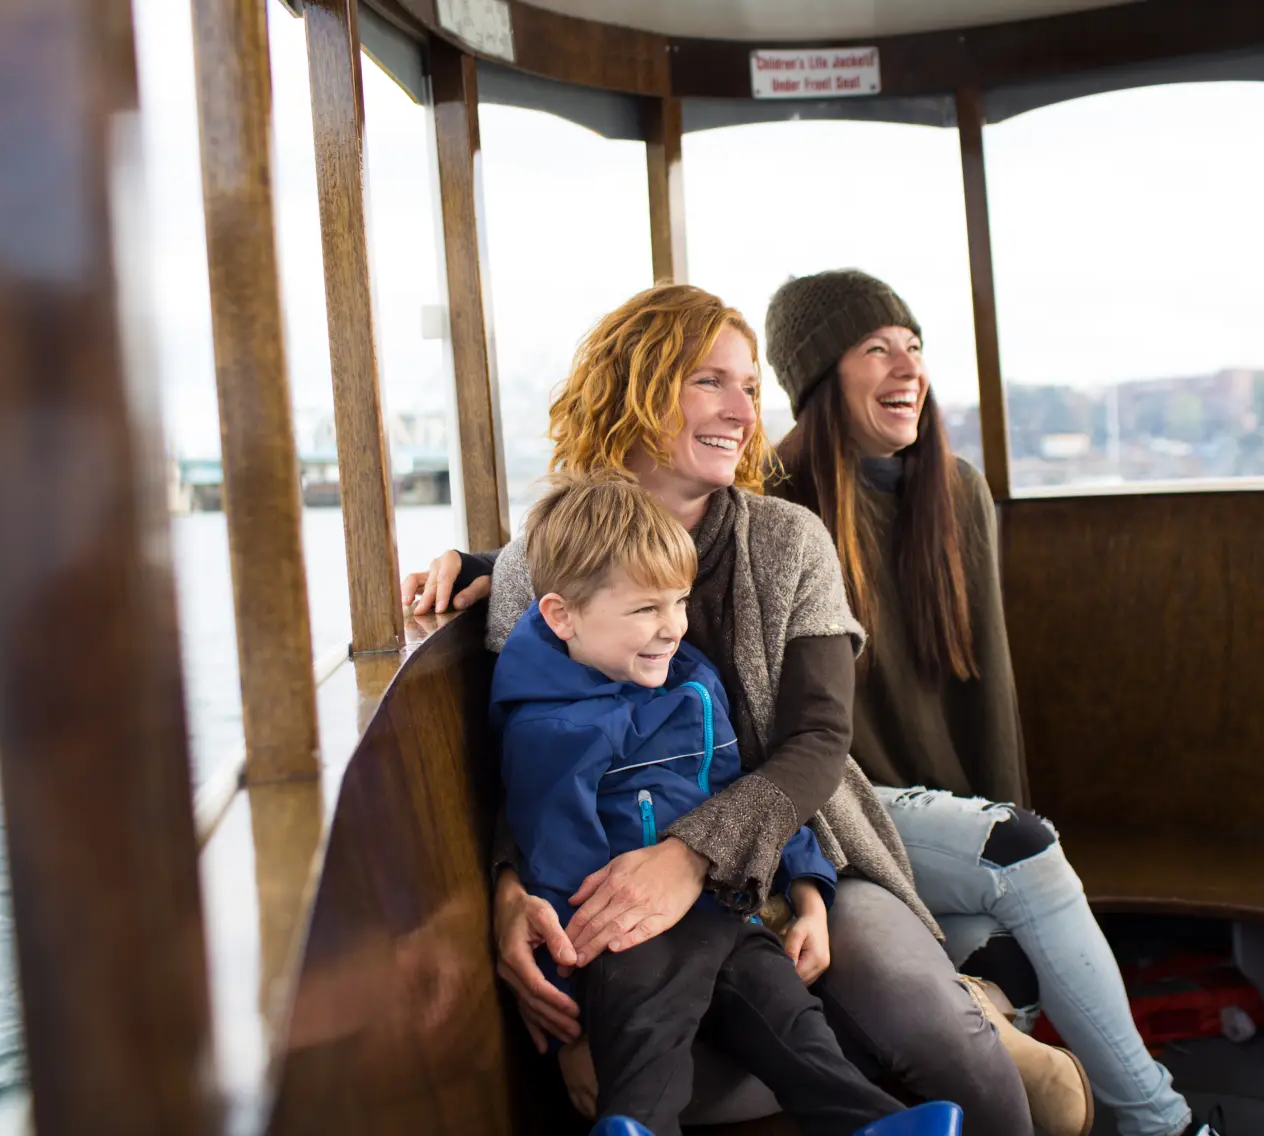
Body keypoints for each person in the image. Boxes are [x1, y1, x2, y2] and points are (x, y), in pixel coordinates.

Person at [403, 284, 1088, 1135]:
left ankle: (984, 1032)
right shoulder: (535, 562)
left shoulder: (789, 538)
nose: (742, 410)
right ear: (638, 390)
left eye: (751, 387)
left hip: (808, 845)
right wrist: (510, 889)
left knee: (942, 1038)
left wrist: (702, 856)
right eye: (710, 383)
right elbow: (529, 756)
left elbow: (816, 742)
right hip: (610, 879)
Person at [759, 269, 1222, 1136]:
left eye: (914, 345)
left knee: (1009, 935)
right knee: (1023, 859)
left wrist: (1000, 822)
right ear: (819, 378)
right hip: (836, 807)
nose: (907, 365)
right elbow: (623, 531)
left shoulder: (954, 489)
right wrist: (485, 571)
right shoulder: (766, 502)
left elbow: (986, 691)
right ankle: (1161, 1124)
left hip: (930, 821)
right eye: (875, 348)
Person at [494, 471, 910, 1136]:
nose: (670, 629)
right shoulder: (552, 729)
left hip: (723, 914)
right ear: (561, 615)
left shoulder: (690, 682)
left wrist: (808, 887)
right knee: (649, 1037)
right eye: (644, 610)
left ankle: (875, 1125)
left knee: (792, 1022)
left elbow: (740, 792)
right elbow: (554, 869)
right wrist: (570, 1032)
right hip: (623, 941)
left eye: (678, 603)